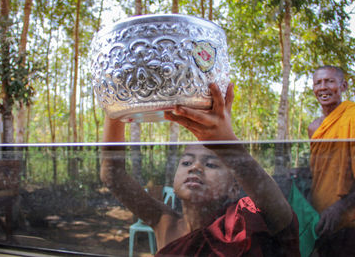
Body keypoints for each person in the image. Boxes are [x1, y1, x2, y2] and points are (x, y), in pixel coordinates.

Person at [101, 83, 299, 256]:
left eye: (211, 164)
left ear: (233, 188)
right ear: (174, 180)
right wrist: (116, 105)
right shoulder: (164, 221)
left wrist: (225, 141)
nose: (195, 167)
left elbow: (280, 213)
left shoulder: (246, 220)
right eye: (186, 163)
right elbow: (113, 175)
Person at [308, 65, 355, 256]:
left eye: (329, 81)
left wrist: (339, 208)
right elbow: (320, 171)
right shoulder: (314, 128)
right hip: (322, 219)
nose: (323, 87)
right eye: (318, 83)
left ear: (343, 86)